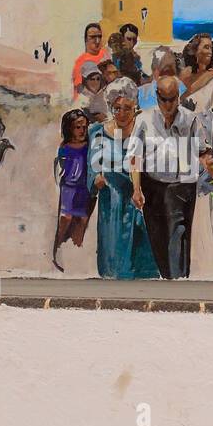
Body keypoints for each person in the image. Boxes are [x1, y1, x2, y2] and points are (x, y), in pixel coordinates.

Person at [127, 75, 213, 279]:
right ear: (157, 98)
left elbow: (203, 151)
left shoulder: (190, 119)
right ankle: (168, 277)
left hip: (181, 186)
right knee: (157, 237)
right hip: (153, 185)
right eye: (164, 99)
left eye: (172, 98)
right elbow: (134, 156)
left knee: (179, 235)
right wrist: (136, 189)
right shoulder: (144, 120)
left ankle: (178, 279)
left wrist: (208, 164)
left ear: (178, 97)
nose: (168, 104)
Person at [89, 82, 159, 279]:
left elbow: (142, 161)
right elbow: (94, 163)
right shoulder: (99, 132)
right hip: (110, 198)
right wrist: (96, 178)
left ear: (134, 107)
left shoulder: (141, 131)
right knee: (112, 240)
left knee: (137, 239)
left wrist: (138, 188)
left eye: (127, 108)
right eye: (117, 108)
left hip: (134, 195)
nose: (121, 113)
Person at [52, 109, 94, 270]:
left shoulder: (89, 146)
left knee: (82, 220)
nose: (82, 130)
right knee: (66, 218)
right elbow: (60, 169)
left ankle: (76, 251)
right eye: (78, 127)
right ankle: (58, 248)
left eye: (84, 127)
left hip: (84, 188)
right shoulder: (65, 147)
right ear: (69, 128)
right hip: (69, 188)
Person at [180, 32, 213, 113]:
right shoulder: (184, 75)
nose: (210, 51)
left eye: (211, 48)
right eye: (206, 47)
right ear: (194, 51)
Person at [71, 22, 105, 94]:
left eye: (99, 36)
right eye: (93, 37)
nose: (97, 41)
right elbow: (78, 91)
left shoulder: (107, 56)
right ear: (86, 39)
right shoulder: (79, 63)